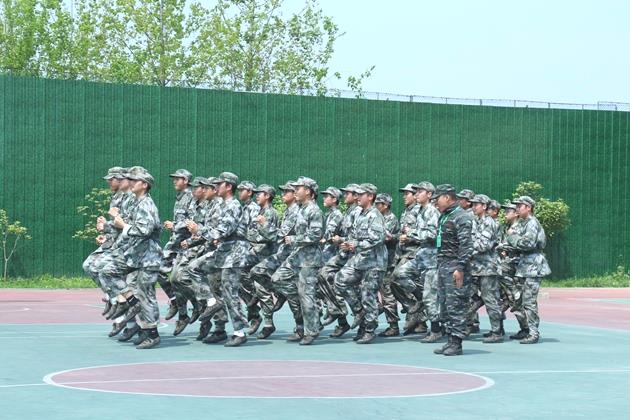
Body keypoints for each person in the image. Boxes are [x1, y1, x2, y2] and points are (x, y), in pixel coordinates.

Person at [505, 195, 551, 344]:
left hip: (533, 266)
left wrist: (512, 238)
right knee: (519, 300)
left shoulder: (531, 223)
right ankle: (525, 329)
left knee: (529, 301)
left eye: (520, 206)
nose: (517, 208)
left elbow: (527, 244)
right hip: (524, 266)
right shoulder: (523, 223)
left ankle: (533, 333)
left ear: (528, 208)